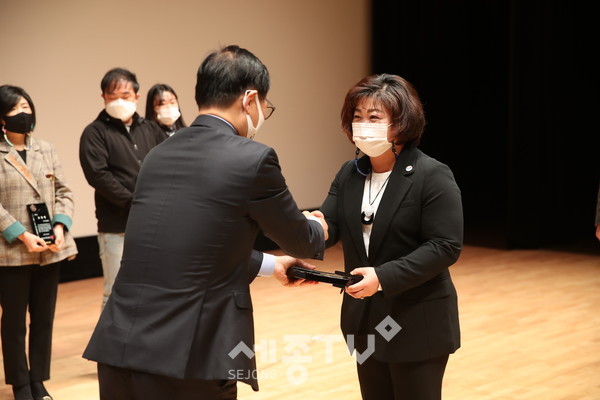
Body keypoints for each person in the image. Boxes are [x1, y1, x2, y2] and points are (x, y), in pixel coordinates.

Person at [82, 45, 327, 400]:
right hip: (188, 357)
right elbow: (304, 240)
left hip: (121, 347)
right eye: (265, 107)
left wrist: (271, 265)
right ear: (250, 99)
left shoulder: (157, 155)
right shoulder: (253, 158)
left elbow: (188, 245)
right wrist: (321, 224)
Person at [317, 74, 463, 400]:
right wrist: (314, 226)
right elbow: (330, 224)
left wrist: (382, 277)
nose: (362, 125)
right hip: (364, 321)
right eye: (357, 116)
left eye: (374, 117)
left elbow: (445, 246)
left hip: (416, 321)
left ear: (401, 123)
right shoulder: (349, 173)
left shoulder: (431, 175)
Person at [0, 85, 78, 400]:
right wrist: (21, 233)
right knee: (15, 320)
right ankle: (20, 383)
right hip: (13, 250)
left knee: (43, 318)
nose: (25, 113)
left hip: (50, 248)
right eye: (17, 108)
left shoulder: (46, 148)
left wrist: (61, 226)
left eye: (27, 106)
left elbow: (65, 192)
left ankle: (38, 380)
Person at [79, 68, 166, 309]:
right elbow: (98, 175)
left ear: (137, 96)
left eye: (125, 95)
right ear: (103, 97)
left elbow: (167, 164)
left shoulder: (150, 128)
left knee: (157, 284)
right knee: (116, 290)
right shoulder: (94, 132)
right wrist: (133, 201)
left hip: (154, 223)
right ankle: (112, 346)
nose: (119, 101)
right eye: (112, 95)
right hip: (116, 225)